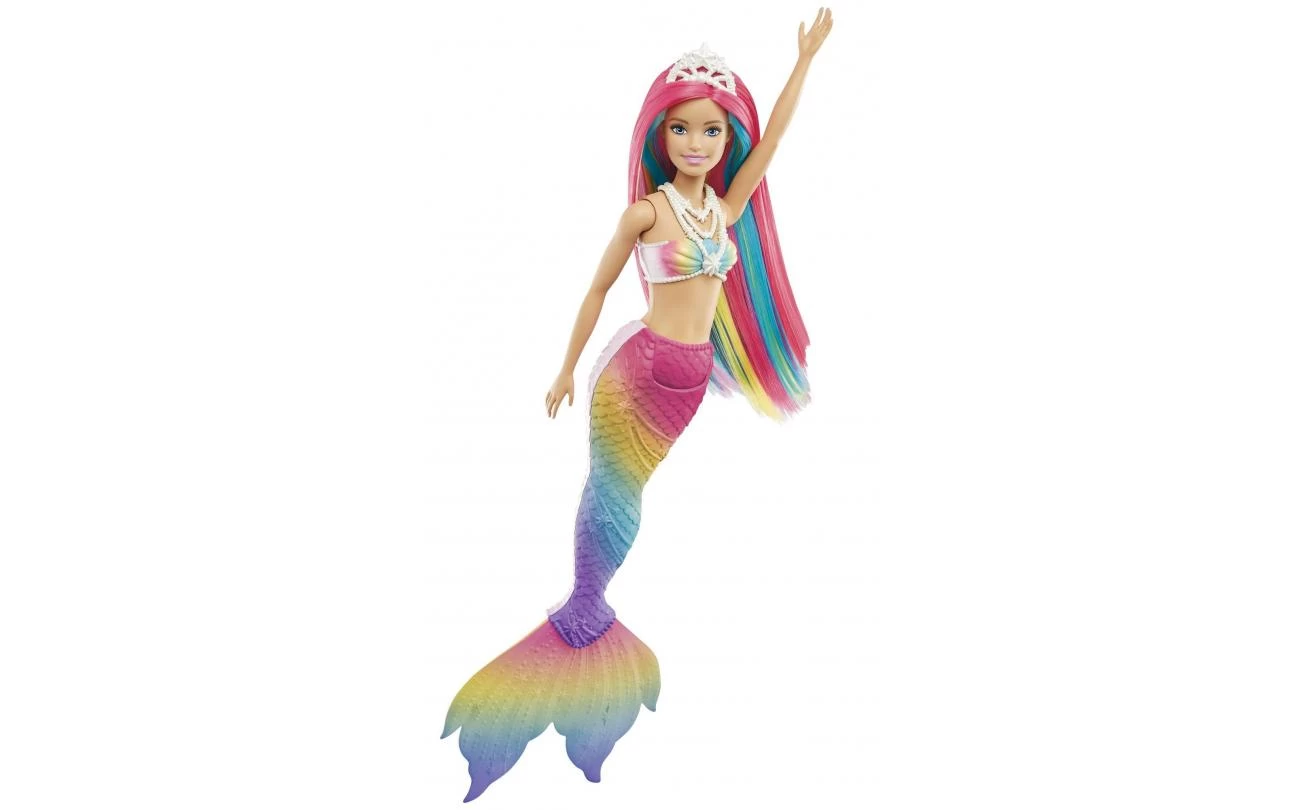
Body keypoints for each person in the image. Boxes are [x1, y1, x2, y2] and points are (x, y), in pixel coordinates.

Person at [442, 9, 834, 801]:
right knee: (615, 494)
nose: (697, 143)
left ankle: (587, 618)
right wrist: (563, 370)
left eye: (712, 131)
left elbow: (773, 146)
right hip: (637, 373)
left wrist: (804, 62)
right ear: (660, 134)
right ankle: (583, 617)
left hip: (688, 381)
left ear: (726, 139)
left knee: (631, 495)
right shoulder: (647, 214)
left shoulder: (723, 210)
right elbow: (596, 290)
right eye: (682, 129)